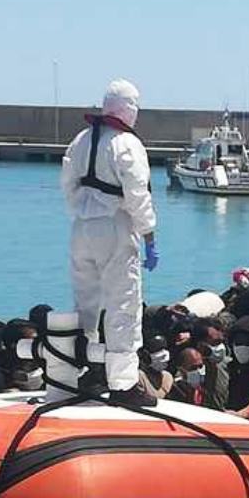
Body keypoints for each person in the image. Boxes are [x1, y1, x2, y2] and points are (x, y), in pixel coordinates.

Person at [61, 78, 158, 406]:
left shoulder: (81, 140)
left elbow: (66, 184)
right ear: (129, 109)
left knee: (85, 302)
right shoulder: (128, 144)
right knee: (123, 304)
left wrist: (82, 210)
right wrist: (149, 235)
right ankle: (124, 383)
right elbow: (137, 195)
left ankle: (89, 370)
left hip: (81, 228)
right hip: (115, 227)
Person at [139, 334, 174, 400]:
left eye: (164, 349)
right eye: (158, 350)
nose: (164, 354)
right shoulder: (138, 377)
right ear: (145, 355)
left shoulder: (168, 378)